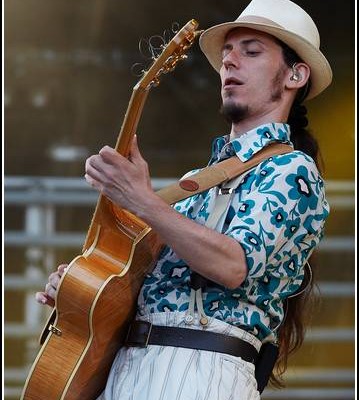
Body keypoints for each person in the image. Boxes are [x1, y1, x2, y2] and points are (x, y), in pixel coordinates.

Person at [35, 0, 332, 398]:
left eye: (251, 51)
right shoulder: (195, 182)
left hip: (203, 371)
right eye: (227, 51)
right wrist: (83, 290)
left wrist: (142, 200)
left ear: (296, 74)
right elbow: (139, 288)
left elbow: (232, 264)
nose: (229, 61)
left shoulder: (293, 171)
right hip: (128, 371)